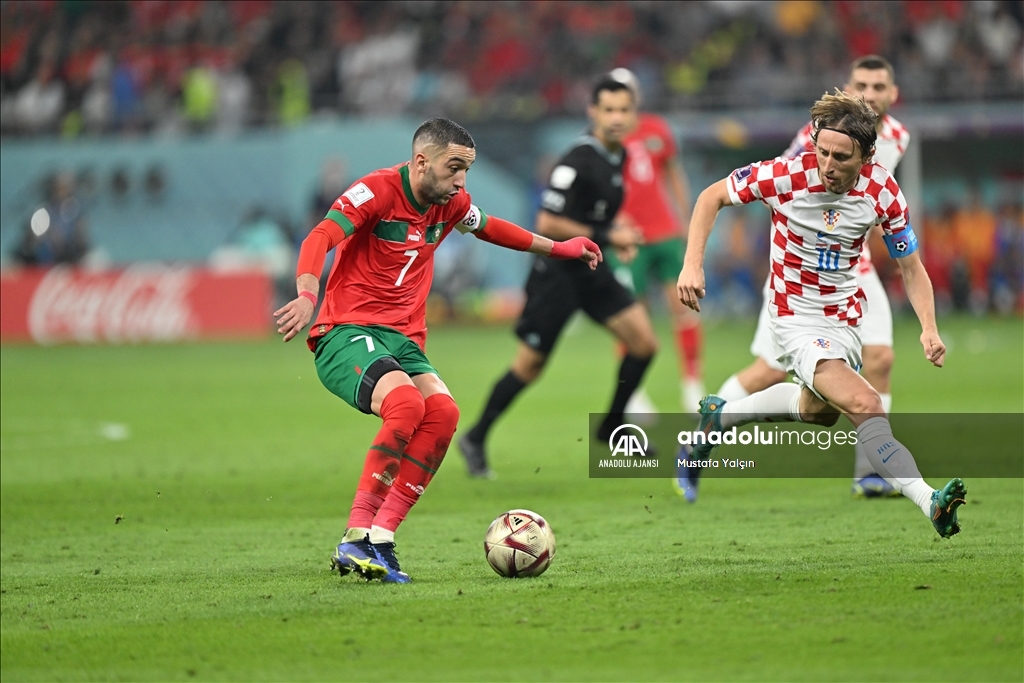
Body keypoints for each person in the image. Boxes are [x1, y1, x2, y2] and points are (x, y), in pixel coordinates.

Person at [274, 118, 601, 583]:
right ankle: (354, 537)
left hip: (403, 339)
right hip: (345, 331)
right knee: (406, 405)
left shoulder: (450, 204)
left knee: (443, 414)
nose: (461, 181)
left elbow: (493, 228)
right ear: (421, 161)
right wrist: (308, 294)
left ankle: (381, 540)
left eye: (466, 170)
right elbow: (320, 236)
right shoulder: (377, 191)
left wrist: (562, 249)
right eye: (454, 168)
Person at [675, 90, 966, 539]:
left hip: (844, 319)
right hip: (792, 316)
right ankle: (931, 502)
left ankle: (722, 417)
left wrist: (929, 327)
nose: (827, 165)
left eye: (841, 157)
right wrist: (692, 263)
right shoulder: (785, 174)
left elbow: (911, 268)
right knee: (865, 403)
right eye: (822, 151)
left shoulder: (882, 192)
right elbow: (710, 197)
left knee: (819, 411)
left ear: (866, 156)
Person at [699, 55, 910, 500]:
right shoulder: (815, 142)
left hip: (851, 273)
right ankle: (702, 436)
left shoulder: (898, 139)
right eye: (861, 86)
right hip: (796, 278)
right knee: (769, 372)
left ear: (893, 94)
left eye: (879, 87)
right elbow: (786, 190)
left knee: (881, 359)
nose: (870, 95)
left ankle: (870, 473)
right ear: (848, 90)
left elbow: (869, 204)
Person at [458, 75, 658, 478]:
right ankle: (475, 438)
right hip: (557, 275)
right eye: (609, 110)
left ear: (634, 114)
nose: (617, 118)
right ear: (593, 112)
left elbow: (596, 213)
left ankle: (612, 425)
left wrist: (617, 233)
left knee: (644, 344)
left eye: (624, 110)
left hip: (592, 269)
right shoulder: (576, 160)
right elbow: (547, 222)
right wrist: (608, 235)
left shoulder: (619, 156)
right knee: (529, 366)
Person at [607, 68, 704, 415]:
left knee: (685, 307)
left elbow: (674, 173)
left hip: (665, 233)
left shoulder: (657, 129)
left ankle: (692, 385)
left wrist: (686, 218)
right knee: (632, 317)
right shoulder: (602, 138)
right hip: (627, 241)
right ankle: (633, 392)